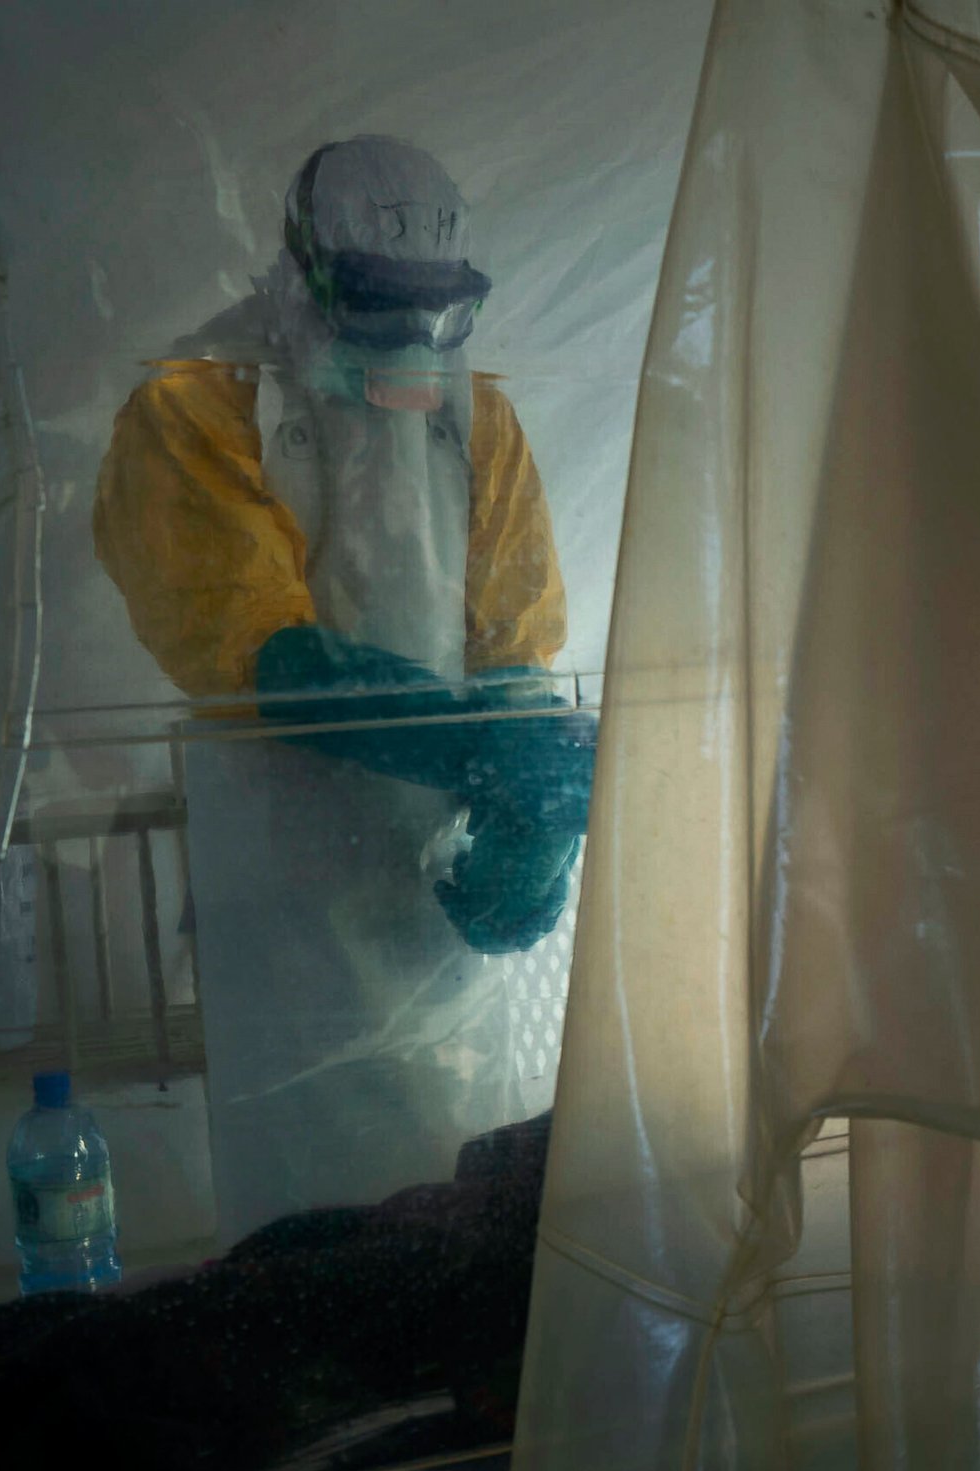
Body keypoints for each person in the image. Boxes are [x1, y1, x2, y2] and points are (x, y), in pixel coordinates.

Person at [90, 137, 591, 1232]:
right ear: (303, 274)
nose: (413, 340)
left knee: (460, 1197)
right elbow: (256, 650)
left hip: (440, 886)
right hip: (282, 897)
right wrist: (478, 747)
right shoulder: (192, 405)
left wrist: (538, 801)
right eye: (377, 303)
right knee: (308, 1230)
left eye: (437, 309)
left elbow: (514, 642)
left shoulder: (479, 417)